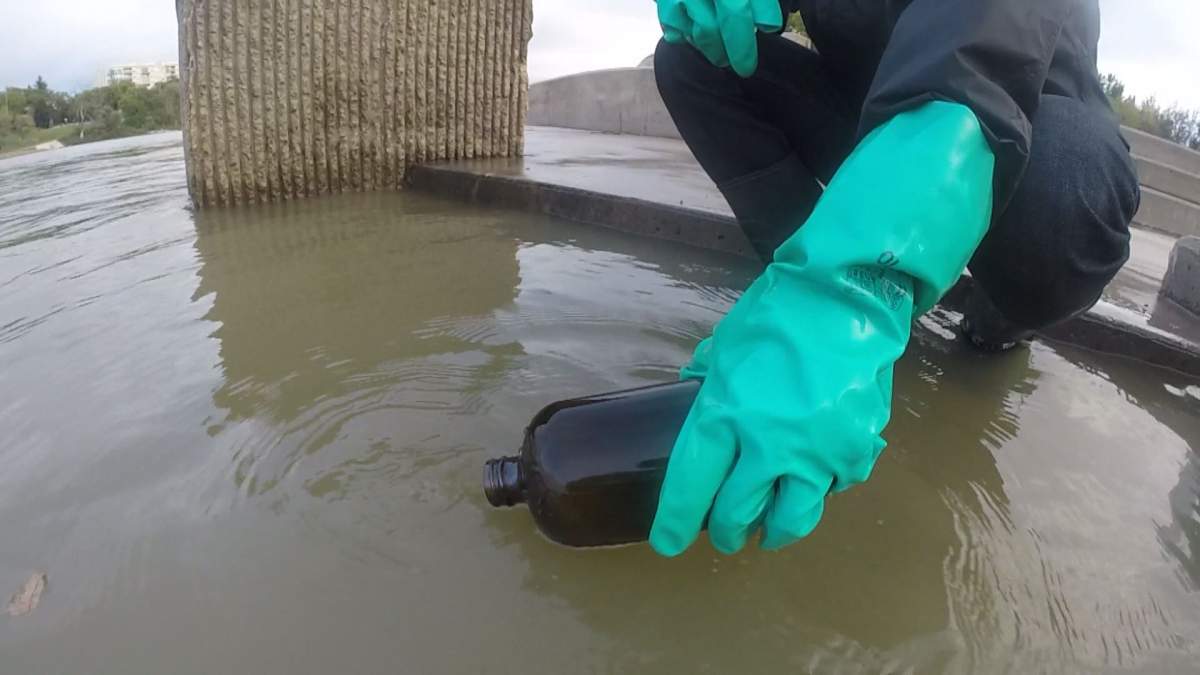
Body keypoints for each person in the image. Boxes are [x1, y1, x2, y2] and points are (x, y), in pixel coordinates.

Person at [647, 0, 1141, 557]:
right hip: (870, 115)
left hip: (1027, 122)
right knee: (687, 60)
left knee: (1065, 194)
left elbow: (985, 37)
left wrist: (848, 291)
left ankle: (986, 318)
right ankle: (796, 282)